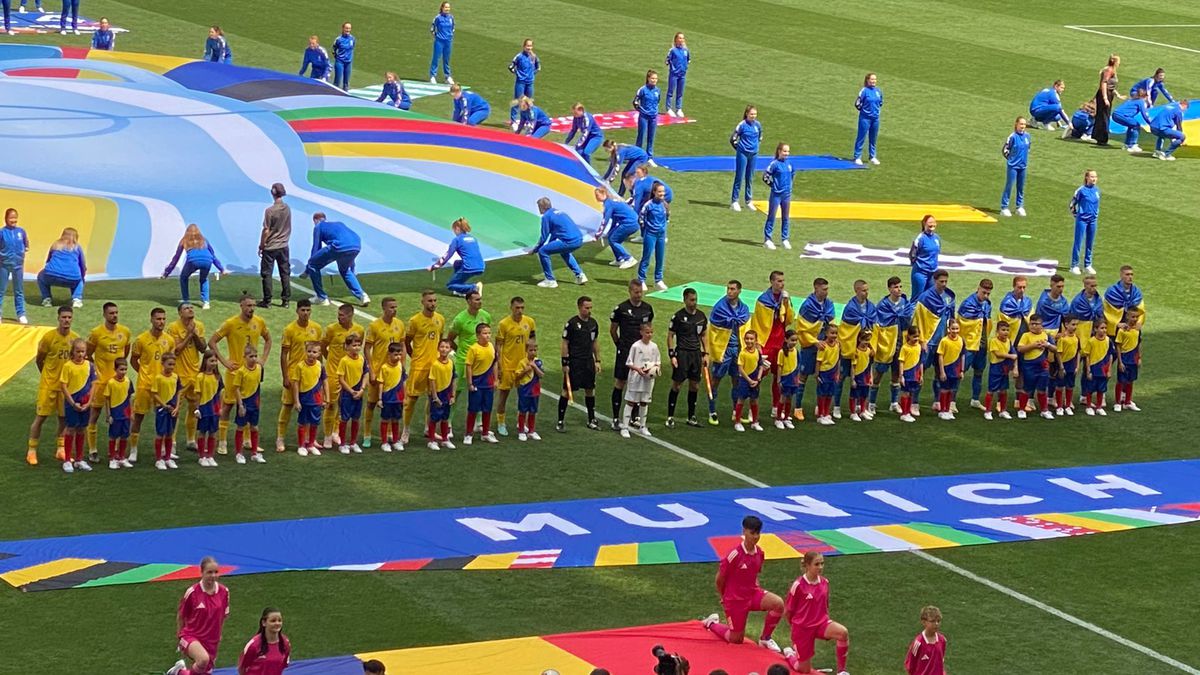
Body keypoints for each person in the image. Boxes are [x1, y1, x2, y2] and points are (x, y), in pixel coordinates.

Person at [702, 516, 786, 652]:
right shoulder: (734, 555)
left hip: (752, 595)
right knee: (736, 639)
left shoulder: (760, 553)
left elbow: (754, 574)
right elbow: (719, 579)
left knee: (778, 604)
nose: (756, 537)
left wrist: (756, 589)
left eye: (758, 533)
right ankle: (711, 623)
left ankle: (765, 639)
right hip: (735, 600)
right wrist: (724, 597)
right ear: (744, 531)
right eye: (752, 533)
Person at [208, 294, 272, 455]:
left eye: (253, 305)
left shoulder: (259, 322)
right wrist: (224, 362)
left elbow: (268, 339)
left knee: (251, 406)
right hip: (235, 372)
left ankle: (247, 440)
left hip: (252, 373)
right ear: (241, 306)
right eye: (248, 305)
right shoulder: (231, 323)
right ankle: (222, 442)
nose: (251, 308)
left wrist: (262, 360)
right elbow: (212, 341)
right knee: (228, 406)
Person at [781, 552, 851, 675]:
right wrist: (797, 628)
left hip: (821, 623)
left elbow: (825, 604)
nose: (820, 567)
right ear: (807, 565)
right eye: (816, 564)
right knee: (804, 670)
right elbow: (788, 611)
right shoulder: (798, 585)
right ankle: (790, 654)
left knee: (842, 633)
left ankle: (842, 671)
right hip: (803, 629)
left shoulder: (825, 583)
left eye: (822, 563)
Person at [27, 306, 77, 466]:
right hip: (48, 385)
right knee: (40, 418)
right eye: (64, 317)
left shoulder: (74, 339)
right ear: (58, 318)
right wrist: (46, 376)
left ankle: (61, 449)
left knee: (63, 419)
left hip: (65, 388)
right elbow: (39, 360)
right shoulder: (48, 338)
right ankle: (32, 451)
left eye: (69, 317)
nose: (66, 320)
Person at [166, 557, 230, 675]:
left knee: (203, 672)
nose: (213, 576)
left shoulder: (224, 592)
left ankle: (179, 672)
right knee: (203, 659)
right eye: (209, 572)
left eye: (216, 572)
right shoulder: (192, 592)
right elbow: (181, 616)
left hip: (212, 640)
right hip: (191, 636)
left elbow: (223, 616)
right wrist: (180, 637)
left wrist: (218, 635)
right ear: (202, 573)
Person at [84, 302, 132, 461]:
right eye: (111, 313)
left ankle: (117, 451)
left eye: (116, 312)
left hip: (119, 383)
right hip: (101, 382)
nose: (115, 315)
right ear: (104, 315)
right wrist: (97, 371)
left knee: (120, 416)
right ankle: (92, 450)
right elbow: (88, 354)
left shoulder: (125, 332)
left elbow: (125, 352)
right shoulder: (96, 333)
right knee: (95, 414)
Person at [129, 307, 175, 463]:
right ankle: (133, 450)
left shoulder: (169, 340)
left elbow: (171, 361)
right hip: (145, 385)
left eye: (163, 319)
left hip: (162, 387)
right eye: (158, 319)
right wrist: (143, 372)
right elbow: (134, 360)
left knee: (163, 418)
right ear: (151, 319)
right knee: (139, 417)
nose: (161, 322)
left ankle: (164, 449)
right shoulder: (141, 340)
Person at [747, 271, 795, 420]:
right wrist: (758, 344)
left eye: (783, 281)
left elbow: (789, 320)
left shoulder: (785, 299)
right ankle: (751, 409)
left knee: (779, 376)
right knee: (758, 376)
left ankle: (776, 407)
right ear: (772, 282)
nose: (782, 284)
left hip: (780, 342)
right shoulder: (762, 300)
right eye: (779, 281)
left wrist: (786, 304)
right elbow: (757, 324)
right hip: (766, 343)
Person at [609, 279, 654, 429]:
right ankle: (615, 417)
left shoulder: (647, 309)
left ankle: (634, 417)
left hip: (641, 353)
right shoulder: (621, 309)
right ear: (630, 291)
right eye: (636, 292)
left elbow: (649, 329)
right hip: (626, 350)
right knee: (621, 382)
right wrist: (620, 345)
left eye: (640, 292)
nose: (639, 295)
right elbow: (613, 330)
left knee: (638, 383)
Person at [402, 291, 446, 445]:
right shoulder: (415, 320)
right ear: (422, 302)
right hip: (419, 366)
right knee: (412, 399)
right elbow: (407, 342)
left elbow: (440, 340)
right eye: (429, 301)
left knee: (433, 398)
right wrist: (414, 356)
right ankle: (405, 430)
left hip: (434, 366)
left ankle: (429, 428)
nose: (432, 303)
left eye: (434, 300)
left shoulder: (440, 319)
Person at [706, 280, 750, 424]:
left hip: (737, 349)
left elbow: (746, 328)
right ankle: (712, 411)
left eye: (732, 289)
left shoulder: (743, 309)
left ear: (739, 291)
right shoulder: (720, 308)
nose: (729, 291)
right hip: (723, 350)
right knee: (716, 380)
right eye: (728, 289)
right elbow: (713, 330)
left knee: (737, 380)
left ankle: (735, 412)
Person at [363, 297, 405, 448]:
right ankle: (367, 434)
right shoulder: (375, 326)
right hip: (378, 371)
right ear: (384, 308)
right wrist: (371, 370)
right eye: (391, 307)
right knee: (371, 404)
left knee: (392, 404)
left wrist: (403, 366)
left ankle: (389, 436)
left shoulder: (399, 324)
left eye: (395, 307)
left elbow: (402, 345)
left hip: (394, 373)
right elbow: (367, 348)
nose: (394, 309)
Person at [912, 270, 955, 413]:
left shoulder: (949, 296)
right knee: (920, 372)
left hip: (943, 341)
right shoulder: (925, 297)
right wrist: (922, 340)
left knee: (940, 372)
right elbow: (918, 320)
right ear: (934, 280)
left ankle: (937, 401)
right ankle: (914, 402)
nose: (944, 284)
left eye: (945, 281)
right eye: (941, 281)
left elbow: (952, 317)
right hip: (928, 341)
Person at [322, 303, 364, 446]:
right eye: (338, 315)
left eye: (342, 315)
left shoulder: (359, 330)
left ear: (350, 315)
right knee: (331, 404)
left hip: (350, 374)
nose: (339, 317)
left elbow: (358, 348)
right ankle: (327, 435)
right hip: (333, 373)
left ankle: (336, 432)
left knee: (343, 404)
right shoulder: (331, 329)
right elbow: (323, 347)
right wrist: (331, 361)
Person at [794, 278, 836, 421]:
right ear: (816, 288)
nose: (826, 292)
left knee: (824, 377)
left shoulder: (829, 304)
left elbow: (832, 325)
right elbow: (801, 329)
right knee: (803, 377)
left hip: (825, 347)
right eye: (824, 289)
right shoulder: (807, 306)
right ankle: (797, 408)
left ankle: (821, 407)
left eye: (827, 289)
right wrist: (815, 341)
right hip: (810, 347)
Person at [869, 276, 911, 415]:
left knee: (896, 374)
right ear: (889, 289)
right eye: (895, 287)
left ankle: (894, 403)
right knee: (878, 375)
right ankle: (871, 403)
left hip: (901, 344)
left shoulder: (905, 302)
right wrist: (875, 346)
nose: (898, 289)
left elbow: (909, 321)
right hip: (886, 345)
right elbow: (877, 326)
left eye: (900, 287)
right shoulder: (882, 305)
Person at [558, 296, 601, 431]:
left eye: (590, 308)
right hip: (575, 361)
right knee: (566, 390)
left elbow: (595, 342)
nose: (589, 310)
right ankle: (560, 420)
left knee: (590, 389)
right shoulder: (571, 324)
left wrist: (597, 360)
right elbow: (565, 343)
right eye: (586, 308)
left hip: (588, 361)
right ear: (579, 307)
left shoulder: (593, 324)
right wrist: (565, 362)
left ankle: (591, 419)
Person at [834, 279, 875, 419]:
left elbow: (873, 328)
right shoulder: (850, 308)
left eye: (867, 290)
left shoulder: (871, 307)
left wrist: (871, 346)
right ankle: (836, 407)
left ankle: (861, 408)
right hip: (850, 350)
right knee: (842, 378)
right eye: (863, 290)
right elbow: (846, 329)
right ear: (856, 290)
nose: (866, 293)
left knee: (864, 379)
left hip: (864, 351)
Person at [666, 287, 707, 428]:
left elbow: (703, 335)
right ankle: (670, 416)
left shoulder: (701, 316)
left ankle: (691, 416)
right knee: (677, 385)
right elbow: (670, 335)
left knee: (695, 385)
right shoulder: (678, 317)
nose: (694, 302)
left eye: (695, 299)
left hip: (695, 354)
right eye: (691, 300)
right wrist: (672, 354)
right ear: (684, 300)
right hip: (682, 353)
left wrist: (705, 353)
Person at [307, 213, 368, 307]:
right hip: (356, 245)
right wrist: (353, 269)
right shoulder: (339, 224)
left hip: (339, 246)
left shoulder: (318, 226)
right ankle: (362, 295)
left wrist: (308, 268)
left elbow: (316, 247)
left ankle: (321, 297)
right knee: (345, 270)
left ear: (315, 220)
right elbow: (349, 244)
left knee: (313, 265)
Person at [495, 296, 535, 436]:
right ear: (511, 307)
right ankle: (501, 423)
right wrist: (499, 366)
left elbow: (532, 342)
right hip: (507, 365)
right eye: (517, 308)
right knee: (504, 395)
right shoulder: (504, 324)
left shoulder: (529, 322)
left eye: (522, 308)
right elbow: (498, 346)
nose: (520, 310)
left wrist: (532, 361)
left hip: (523, 366)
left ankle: (521, 422)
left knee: (524, 396)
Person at [163, 224, 225, 309]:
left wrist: (166, 272)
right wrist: (221, 269)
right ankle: (206, 303)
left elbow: (176, 258)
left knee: (183, 278)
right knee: (204, 279)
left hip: (193, 261)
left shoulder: (184, 240)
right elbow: (212, 255)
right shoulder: (204, 240)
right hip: (208, 261)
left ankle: (186, 301)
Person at [530, 197, 587, 288]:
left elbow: (544, 236)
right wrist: (549, 245)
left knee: (542, 251)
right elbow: (554, 233)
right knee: (564, 252)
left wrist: (535, 250)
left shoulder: (546, 217)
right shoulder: (558, 212)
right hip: (579, 239)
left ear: (542, 207)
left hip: (569, 241)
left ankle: (550, 280)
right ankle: (580, 275)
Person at [58, 338, 94, 472]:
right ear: (72, 352)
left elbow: (93, 385)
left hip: (85, 404)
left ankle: (79, 459)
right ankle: (67, 460)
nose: (80, 354)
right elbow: (63, 386)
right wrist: (72, 403)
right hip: (71, 403)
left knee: (81, 429)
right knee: (70, 429)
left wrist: (89, 402)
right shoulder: (67, 366)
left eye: (82, 351)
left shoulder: (89, 366)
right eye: (77, 351)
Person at [447, 289, 491, 395]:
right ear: (469, 301)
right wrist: (459, 351)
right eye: (476, 300)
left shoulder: (486, 316)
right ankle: (451, 412)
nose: (480, 302)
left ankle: (476, 412)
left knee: (479, 390)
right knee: (455, 392)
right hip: (463, 360)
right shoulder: (460, 319)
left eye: (480, 299)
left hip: (481, 360)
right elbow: (450, 339)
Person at [621, 322, 661, 438]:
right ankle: (625, 427)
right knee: (631, 401)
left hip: (648, 380)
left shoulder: (654, 347)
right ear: (641, 332)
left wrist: (655, 370)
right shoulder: (635, 346)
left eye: (651, 332)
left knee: (645, 402)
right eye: (647, 332)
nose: (649, 335)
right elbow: (629, 363)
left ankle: (643, 426)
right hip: (636, 378)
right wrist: (638, 369)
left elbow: (657, 362)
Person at [430, 217, 485, 298]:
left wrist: (434, 266)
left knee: (450, 285)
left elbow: (447, 255)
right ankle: (459, 288)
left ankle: (474, 287)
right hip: (481, 266)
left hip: (469, 267)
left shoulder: (457, 240)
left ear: (457, 228)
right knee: (457, 263)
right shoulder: (473, 238)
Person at [464, 323, 498, 444]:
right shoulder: (474, 349)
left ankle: (485, 433)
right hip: (477, 383)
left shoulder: (491, 347)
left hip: (488, 384)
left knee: (487, 409)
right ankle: (468, 434)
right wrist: (470, 383)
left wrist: (496, 379)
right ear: (478, 335)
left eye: (489, 333)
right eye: (484, 333)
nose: (487, 336)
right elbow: (469, 366)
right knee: (473, 409)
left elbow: (494, 363)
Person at [1016, 314, 1056, 420]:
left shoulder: (1046, 336)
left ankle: (1044, 410)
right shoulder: (1026, 335)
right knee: (1027, 389)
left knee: (1042, 389)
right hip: (1029, 366)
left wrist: (1047, 345)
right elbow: (1020, 349)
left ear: (1041, 325)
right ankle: (1021, 409)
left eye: (1036, 324)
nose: (1034, 326)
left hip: (1043, 366)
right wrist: (1033, 346)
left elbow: (1055, 349)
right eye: (1031, 324)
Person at [37, 225, 88, 306]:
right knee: (79, 279)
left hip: (51, 275)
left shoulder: (55, 244)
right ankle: (77, 299)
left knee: (40, 276)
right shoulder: (77, 247)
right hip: (71, 278)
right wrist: (82, 276)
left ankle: (47, 299)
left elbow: (48, 260)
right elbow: (83, 266)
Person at [259, 183, 292, 308]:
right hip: (283, 245)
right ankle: (286, 300)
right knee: (285, 272)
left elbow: (266, 229)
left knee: (267, 273)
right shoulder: (287, 208)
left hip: (271, 246)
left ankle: (267, 301)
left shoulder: (269, 211)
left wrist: (262, 244)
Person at [292, 341, 327, 456]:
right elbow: (296, 384)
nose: (311, 354)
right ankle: (301, 445)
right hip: (304, 399)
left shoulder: (320, 366)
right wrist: (296, 401)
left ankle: (311, 444)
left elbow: (324, 382)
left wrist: (326, 398)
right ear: (305, 352)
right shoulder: (300, 366)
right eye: (309, 351)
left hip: (316, 400)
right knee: (302, 422)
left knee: (314, 423)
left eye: (314, 352)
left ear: (319, 353)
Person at [231, 345, 265, 464]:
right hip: (244, 402)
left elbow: (258, 385)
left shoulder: (259, 369)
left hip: (254, 403)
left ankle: (254, 453)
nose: (254, 359)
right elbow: (236, 389)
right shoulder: (241, 372)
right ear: (244, 357)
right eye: (251, 356)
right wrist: (240, 405)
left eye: (255, 356)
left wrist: (258, 402)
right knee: (241, 426)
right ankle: (239, 453)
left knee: (254, 427)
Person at [335, 335, 367, 453]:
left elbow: (365, 374)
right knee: (344, 419)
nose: (357, 348)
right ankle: (342, 443)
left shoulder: (362, 359)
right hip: (347, 394)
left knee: (356, 418)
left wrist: (362, 389)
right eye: (354, 345)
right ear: (347, 346)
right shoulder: (344, 361)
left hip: (359, 393)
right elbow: (341, 379)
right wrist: (351, 391)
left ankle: (353, 442)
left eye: (359, 345)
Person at [595, 186, 640, 269]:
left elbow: (605, 220)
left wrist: (598, 234)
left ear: (604, 193)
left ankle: (629, 258)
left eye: (597, 195)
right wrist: (609, 231)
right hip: (633, 222)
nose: (596, 197)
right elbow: (615, 219)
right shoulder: (612, 202)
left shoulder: (608, 204)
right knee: (611, 237)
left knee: (613, 240)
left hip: (629, 223)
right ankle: (619, 259)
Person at [731, 329, 767, 432]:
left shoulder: (757, 352)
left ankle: (755, 422)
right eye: (747, 338)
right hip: (744, 380)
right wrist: (749, 380)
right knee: (741, 399)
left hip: (755, 380)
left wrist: (758, 378)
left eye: (751, 339)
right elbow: (740, 369)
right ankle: (737, 422)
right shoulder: (742, 353)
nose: (749, 341)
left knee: (754, 400)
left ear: (756, 340)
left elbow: (760, 365)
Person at [762, 143, 796, 250]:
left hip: (786, 195)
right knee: (772, 216)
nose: (787, 153)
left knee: (785, 217)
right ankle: (768, 239)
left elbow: (792, 175)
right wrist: (773, 185)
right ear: (779, 151)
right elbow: (765, 177)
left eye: (788, 151)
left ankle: (785, 238)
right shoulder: (774, 164)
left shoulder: (790, 164)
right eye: (785, 151)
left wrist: (789, 187)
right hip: (776, 195)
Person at [236, 607, 290, 675]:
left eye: (279, 620)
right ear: (264, 623)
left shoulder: (285, 643)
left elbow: (282, 665)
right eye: (273, 621)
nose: (277, 623)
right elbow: (242, 668)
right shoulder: (253, 645)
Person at [638, 183, 670, 292]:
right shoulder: (648, 205)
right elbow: (641, 218)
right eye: (659, 191)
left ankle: (658, 280)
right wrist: (646, 231)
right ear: (654, 192)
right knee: (646, 257)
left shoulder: (665, 205)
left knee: (660, 258)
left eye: (663, 191)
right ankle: (641, 279)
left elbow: (667, 219)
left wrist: (664, 234)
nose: (662, 194)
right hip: (650, 234)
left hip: (661, 235)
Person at [729, 105, 763, 212]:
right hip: (742, 154)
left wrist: (755, 147)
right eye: (751, 114)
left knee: (750, 177)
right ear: (747, 114)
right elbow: (733, 138)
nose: (753, 116)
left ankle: (748, 200)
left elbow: (760, 137)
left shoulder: (758, 125)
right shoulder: (742, 125)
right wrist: (739, 149)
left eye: (755, 114)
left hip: (753, 154)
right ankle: (734, 201)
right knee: (739, 176)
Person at [192, 351, 223, 466]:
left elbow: (220, 393)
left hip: (214, 409)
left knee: (213, 432)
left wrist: (220, 407)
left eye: (215, 361)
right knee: (202, 432)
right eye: (211, 361)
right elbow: (197, 395)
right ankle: (201, 456)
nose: (214, 363)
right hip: (204, 409)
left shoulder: (217, 377)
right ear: (205, 361)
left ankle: (210, 455)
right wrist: (196, 408)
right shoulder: (200, 377)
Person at [152, 353, 182, 470]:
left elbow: (179, 392)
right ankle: (159, 459)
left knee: (170, 433)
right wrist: (164, 405)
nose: (171, 367)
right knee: (160, 434)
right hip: (162, 409)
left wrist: (177, 406)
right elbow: (154, 393)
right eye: (169, 364)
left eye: (173, 364)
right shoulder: (158, 378)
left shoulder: (175, 377)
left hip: (173, 409)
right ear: (162, 364)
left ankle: (168, 458)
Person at [103, 357, 134, 469]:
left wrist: (131, 412)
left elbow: (130, 397)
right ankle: (112, 458)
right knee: (113, 436)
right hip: (115, 413)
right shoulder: (111, 383)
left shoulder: (128, 381)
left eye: (125, 369)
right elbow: (107, 399)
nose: (123, 372)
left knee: (124, 436)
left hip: (125, 413)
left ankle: (121, 457)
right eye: (121, 369)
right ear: (115, 369)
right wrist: (108, 414)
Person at [1068, 170, 1100, 276]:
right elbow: (1072, 204)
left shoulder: (1097, 191)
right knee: (1078, 242)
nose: (1094, 179)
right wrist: (1076, 215)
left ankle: (1088, 265)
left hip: (1093, 221)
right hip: (1082, 220)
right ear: (1086, 178)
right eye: (1092, 176)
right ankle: (1074, 265)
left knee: (1090, 243)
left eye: (1095, 176)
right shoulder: (1081, 190)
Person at [0, 207, 29, 324]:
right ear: (6, 218)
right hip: (4, 265)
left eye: (15, 218)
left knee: (19, 291)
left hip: (18, 265)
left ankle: (21, 314)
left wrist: (23, 252)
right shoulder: (2, 232)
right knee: (1, 290)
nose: (13, 220)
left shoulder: (21, 231)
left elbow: (26, 243)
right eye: (11, 218)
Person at [983, 320, 1016, 420]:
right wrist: (1010, 356)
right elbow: (998, 354)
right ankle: (988, 411)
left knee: (1003, 390)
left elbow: (1015, 354)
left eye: (1007, 330)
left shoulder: (1009, 341)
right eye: (1003, 330)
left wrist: (1014, 366)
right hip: (996, 367)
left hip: (1004, 367)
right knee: (991, 390)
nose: (1005, 332)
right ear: (997, 331)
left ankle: (1003, 410)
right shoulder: (993, 341)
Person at [426, 339, 456, 449]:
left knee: (445, 417)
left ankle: (444, 439)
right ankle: (432, 440)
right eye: (442, 347)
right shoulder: (435, 364)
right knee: (434, 417)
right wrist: (434, 397)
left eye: (447, 347)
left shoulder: (451, 363)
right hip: (438, 395)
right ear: (438, 348)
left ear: (451, 349)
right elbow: (432, 380)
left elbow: (453, 380)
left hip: (447, 394)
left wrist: (453, 395)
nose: (444, 349)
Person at [376, 343, 406, 452]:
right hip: (387, 398)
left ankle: (395, 441)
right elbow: (381, 383)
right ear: (389, 354)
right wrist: (379, 399)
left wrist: (405, 396)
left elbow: (403, 382)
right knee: (385, 419)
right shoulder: (384, 368)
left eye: (400, 354)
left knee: (396, 419)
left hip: (398, 398)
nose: (398, 357)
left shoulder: (400, 366)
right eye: (396, 354)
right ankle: (384, 442)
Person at [1000, 116, 1030, 218]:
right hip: (1013, 166)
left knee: (1021, 187)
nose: (1023, 126)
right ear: (1016, 124)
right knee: (1009, 186)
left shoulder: (1027, 136)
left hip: (1023, 166)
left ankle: (1019, 207)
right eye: (1021, 124)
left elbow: (1028, 148)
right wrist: (1011, 159)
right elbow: (1005, 150)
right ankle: (1004, 207)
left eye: (1024, 124)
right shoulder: (1012, 137)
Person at [1102, 265, 1145, 337]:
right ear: (1121, 275)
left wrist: (1139, 322)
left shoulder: (1136, 292)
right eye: (1127, 274)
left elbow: (1141, 310)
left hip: (1133, 325)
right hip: (1117, 328)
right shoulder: (1112, 292)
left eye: (1131, 274)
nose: (1130, 277)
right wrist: (1117, 324)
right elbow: (1106, 312)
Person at [514, 340, 544, 441]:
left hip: (535, 390)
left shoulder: (538, 362)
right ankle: (521, 431)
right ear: (526, 350)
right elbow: (517, 376)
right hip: (524, 389)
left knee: (533, 411)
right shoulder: (522, 362)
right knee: (522, 410)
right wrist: (525, 371)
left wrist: (535, 367)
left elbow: (541, 375)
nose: (533, 352)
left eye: (535, 350)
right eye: (531, 350)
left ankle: (531, 431)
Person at [904, 606, 947, 675]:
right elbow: (910, 665)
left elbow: (941, 662)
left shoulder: (942, 640)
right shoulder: (918, 643)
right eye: (932, 621)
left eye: (938, 621)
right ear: (924, 622)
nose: (936, 624)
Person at [935, 319, 964, 420]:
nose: (955, 331)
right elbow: (940, 356)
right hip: (946, 369)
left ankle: (948, 410)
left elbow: (962, 356)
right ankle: (942, 410)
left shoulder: (961, 340)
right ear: (948, 329)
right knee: (944, 390)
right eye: (953, 329)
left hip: (955, 370)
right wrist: (942, 371)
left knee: (951, 390)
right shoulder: (944, 341)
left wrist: (962, 370)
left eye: (957, 329)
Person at [508, 38, 540, 129]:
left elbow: (538, 67)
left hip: (530, 83)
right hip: (520, 82)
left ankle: (528, 121)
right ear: (524, 46)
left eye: (530, 46)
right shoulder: (519, 56)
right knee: (518, 101)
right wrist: (518, 74)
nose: (529, 48)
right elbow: (511, 67)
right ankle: (513, 121)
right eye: (527, 46)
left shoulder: (534, 57)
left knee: (529, 102)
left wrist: (532, 75)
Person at [1114, 308, 1142, 412]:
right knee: (1121, 381)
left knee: (1131, 381)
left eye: (1136, 317)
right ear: (1127, 317)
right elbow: (1118, 346)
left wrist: (1139, 358)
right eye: (1133, 316)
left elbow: (1139, 344)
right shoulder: (1122, 330)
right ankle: (1117, 403)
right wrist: (1120, 362)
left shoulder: (1137, 330)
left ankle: (1127, 402)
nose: (1135, 319)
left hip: (1133, 359)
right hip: (1124, 358)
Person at [1081, 321, 1112, 415]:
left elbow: (1110, 355)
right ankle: (1089, 406)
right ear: (1095, 329)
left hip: (1103, 368)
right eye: (1102, 328)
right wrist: (1088, 370)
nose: (1104, 330)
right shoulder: (1091, 341)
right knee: (1090, 388)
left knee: (1101, 389)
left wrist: (1109, 370)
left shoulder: (1108, 340)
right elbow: (1087, 356)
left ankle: (1099, 407)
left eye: (1105, 328)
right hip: (1094, 368)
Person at [853, 72, 883, 165]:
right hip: (865, 118)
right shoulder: (864, 91)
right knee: (861, 137)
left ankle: (872, 156)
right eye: (872, 79)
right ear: (867, 80)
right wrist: (865, 111)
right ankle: (857, 157)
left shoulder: (878, 91)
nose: (874, 81)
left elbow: (880, 103)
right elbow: (857, 103)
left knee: (873, 138)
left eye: (875, 79)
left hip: (875, 118)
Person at [814, 323, 841, 425]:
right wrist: (817, 374)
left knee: (830, 394)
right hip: (824, 372)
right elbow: (818, 361)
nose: (834, 335)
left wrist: (838, 373)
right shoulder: (823, 346)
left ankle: (826, 413)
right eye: (832, 333)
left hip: (833, 373)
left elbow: (838, 360)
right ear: (826, 333)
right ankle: (821, 414)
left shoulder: (837, 345)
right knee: (822, 394)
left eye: (836, 333)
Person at [1053, 316, 1080, 415]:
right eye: (1073, 324)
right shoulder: (1062, 339)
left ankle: (1068, 406)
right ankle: (1059, 406)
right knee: (1060, 386)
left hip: (1072, 366)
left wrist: (1077, 366)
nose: (1075, 327)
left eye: (1077, 324)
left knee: (1070, 386)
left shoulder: (1077, 338)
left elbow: (1078, 352)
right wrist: (1061, 367)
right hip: (1063, 365)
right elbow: (1058, 353)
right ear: (1066, 325)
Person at [1093, 54, 1122, 146]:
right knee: (1103, 116)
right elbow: (1104, 83)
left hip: (1108, 94)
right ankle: (1102, 138)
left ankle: (1100, 137)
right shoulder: (1109, 70)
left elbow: (1111, 86)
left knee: (1104, 115)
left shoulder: (1112, 70)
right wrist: (1105, 98)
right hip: (1104, 94)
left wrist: (1117, 95)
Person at [908, 215, 940, 299]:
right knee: (917, 298)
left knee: (930, 298)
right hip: (920, 272)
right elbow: (912, 254)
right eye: (930, 222)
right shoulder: (920, 238)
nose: (932, 224)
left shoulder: (936, 238)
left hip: (933, 273)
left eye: (934, 222)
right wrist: (919, 265)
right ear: (924, 223)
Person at [1071, 274, 1104, 356]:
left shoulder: (1098, 299)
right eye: (1092, 286)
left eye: (1095, 285)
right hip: (1082, 333)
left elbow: (1101, 315)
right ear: (1085, 286)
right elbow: (1072, 318)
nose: (1094, 288)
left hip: (1095, 332)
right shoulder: (1077, 301)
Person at [633, 69, 661, 163]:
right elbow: (635, 102)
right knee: (641, 135)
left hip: (653, 117)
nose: (654, 80)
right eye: (652, 78)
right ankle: (637, 155)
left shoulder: (657, 90)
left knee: (651, 137)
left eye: (656, 78)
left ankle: (649, 157)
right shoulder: (642, 90)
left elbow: (658, 101)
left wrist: (654, 111)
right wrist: (641, 111)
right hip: (644, 117)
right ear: (648, 78)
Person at [1112, 88, 1152, 153]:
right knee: (1136, 125)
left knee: (1131, 125)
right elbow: (1144, 114)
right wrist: (1150, 123)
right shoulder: (1141, 101)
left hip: (1115, 115)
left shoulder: (1132, 100)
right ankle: (1132, 145)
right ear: (1145, 96)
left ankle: (1127, 144)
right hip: (1121, 116)